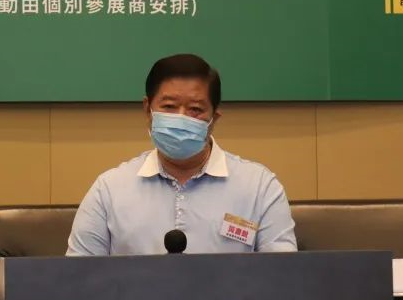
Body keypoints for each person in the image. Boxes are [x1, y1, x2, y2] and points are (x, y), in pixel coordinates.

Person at [67, 54, 297, 255]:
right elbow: (76, 277)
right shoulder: (109, 190)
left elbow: (283, 276)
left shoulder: (259, 188)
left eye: (195, 109)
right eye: (169, 107)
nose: (181, 117)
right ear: (148, 110)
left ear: (214, 118)